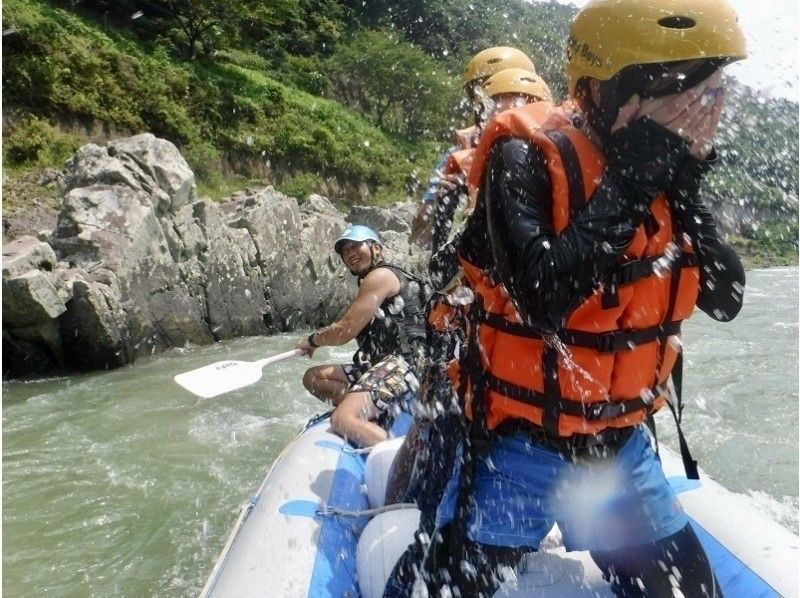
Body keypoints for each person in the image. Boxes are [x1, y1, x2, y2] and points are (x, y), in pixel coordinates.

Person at [386, 0, 748, 596]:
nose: (692, 111)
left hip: (620, 450)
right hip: (523, 445)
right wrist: (633, 180)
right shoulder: (520, 154)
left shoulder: (662, 163)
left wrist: (684, 189)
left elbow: (726, 297)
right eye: (675, 89)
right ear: (601, 89)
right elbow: (542, 297)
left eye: (706, 91)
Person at [296, 225, 427, 448]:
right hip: (381, 364)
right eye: (345, 251)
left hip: (406, 364)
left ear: (376, 248)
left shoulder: (381, 275)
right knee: (313, 377)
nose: (350, 253)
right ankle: (364, 406)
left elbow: (346, 329)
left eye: (356, 246)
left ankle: (408, 456)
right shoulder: (372, 280)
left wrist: (312, 341)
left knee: (342, 419)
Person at [409, 47, 538, 248]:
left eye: (501, 93)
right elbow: (417, 238)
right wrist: (439, 205)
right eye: (484, 95)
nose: (491, 103)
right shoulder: (457, 156)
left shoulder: (551, 144)